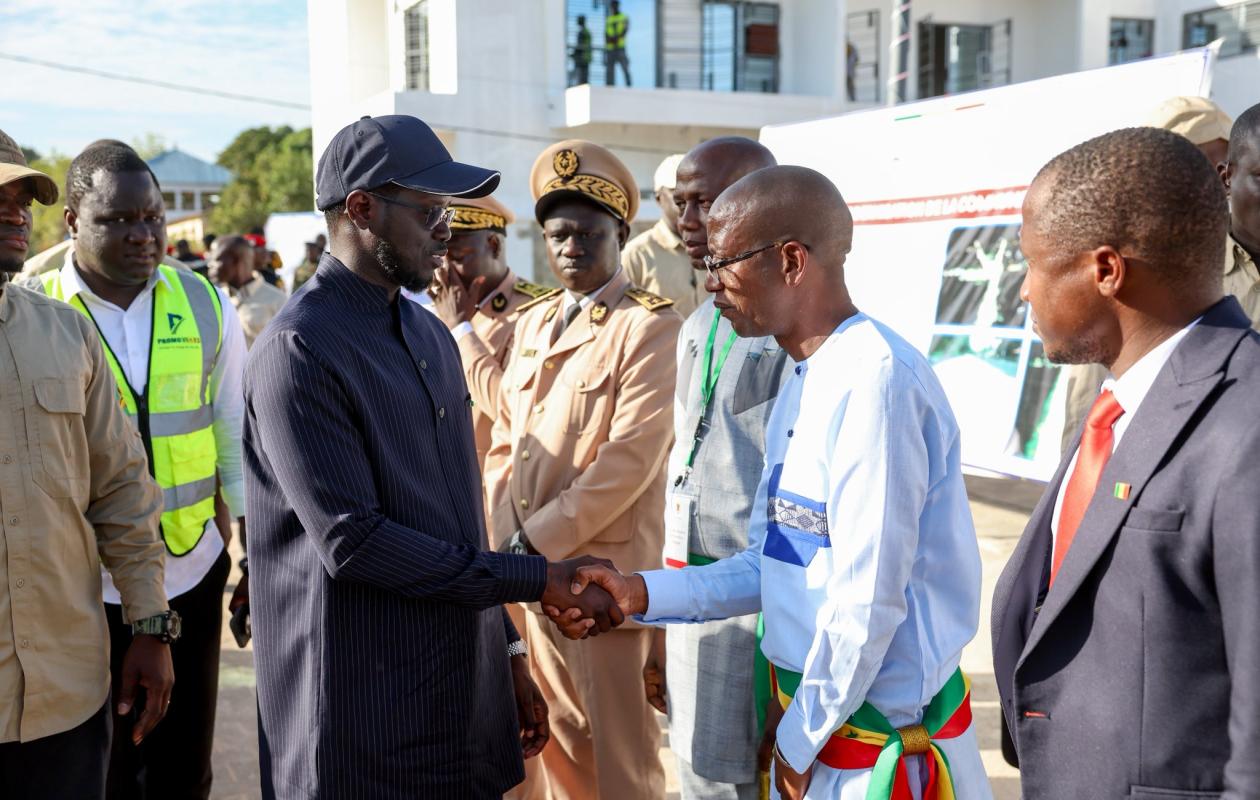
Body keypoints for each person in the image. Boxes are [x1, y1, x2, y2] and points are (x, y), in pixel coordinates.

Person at [552, 165, 991, 800]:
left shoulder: (879, 382)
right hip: (825, 738)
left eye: (725, 262)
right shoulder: (805, 374)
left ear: (791, 260)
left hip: (876, 755)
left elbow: (867, 605)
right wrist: (636, 593)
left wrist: (799, 739)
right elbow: (773, 562)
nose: (711, 284)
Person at [242, 114, 626, 800]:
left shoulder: (431, 334)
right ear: (361, 208)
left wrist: (506, 648)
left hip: (459, 700)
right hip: (363, 717)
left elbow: (459, 515)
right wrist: (533, 578)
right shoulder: (299, 350)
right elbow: (353, 542)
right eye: (429, 210)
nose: (447, 228)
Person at [994, 126, 1260, 798]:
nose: (1024, 293)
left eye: (1033, 263)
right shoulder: (1119, 402)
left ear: (1106, 270)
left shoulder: (1246, 420)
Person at [34, 142, 247, 800]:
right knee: (99, 769)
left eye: (152, 217)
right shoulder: (32, 308)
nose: (142, 235)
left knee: (183, 769)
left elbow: (236, 435)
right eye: (119, 220)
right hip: (80, 589)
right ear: (72, 222)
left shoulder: (206, 302)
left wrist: (256, 556)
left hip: (189, 570)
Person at [484, 139, 679, 799]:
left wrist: (532, 543)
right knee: (559, 750)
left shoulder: (648, 329)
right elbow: (507, 443)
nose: (571, 247)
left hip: (604, 586)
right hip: (533, 578)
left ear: (621, 233)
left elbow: (628, 461)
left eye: (588, 234)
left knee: (622, 764)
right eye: (558, 235)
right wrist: (513, 549)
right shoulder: (534, 324)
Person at [0, 129, 174, 800]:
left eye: (23, 198)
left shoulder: (66, 333)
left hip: (67, 699)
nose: (17, 213)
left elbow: (124, 492)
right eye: (0, 197)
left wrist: (150, 625)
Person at [645, 136, 785, 800]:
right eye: (682, 202)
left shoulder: (792, 329)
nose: (688, 220)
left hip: (757, 606)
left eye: (704, 202)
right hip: (690, 596)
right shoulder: (701, 322)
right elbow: (681, 480)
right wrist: (659, 623)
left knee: (743, 781)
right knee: (699, 777)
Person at [1059, 95, 1236, 453]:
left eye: (1223, 169)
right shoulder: (1117, 275)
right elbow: (1087, 404)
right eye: (1193, 171)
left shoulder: (1247, 255)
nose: (1215, 185)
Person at [427, 194, 555, 484]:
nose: (445, 274)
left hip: (496, 489)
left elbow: (511, 408)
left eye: (457, 259)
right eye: (440, 260)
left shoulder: (538, 313)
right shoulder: (433, 313)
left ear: (494, 246)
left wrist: (460, 328)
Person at [622, 153, 707, 319]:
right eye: (677, 192)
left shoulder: (714, 246)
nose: (687, 199)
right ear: (658, 198)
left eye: (694, 192)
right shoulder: (637, 255)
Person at [208, 234, 287, 348]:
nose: (210, 265)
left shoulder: (278, 301)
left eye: (216, 259)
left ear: (236, 261)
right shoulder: (216, 298)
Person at [605, 0, 631, 86]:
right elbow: (606, 33)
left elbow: (625, 30)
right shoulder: (609, 19)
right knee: (610, 69)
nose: (613, 8)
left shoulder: (623, 17)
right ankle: (609, 86)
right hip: (610, 48)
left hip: (620, 47)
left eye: (614, 6)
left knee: (625, 67)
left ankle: (628, 85)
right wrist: (610, 39)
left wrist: (617, 38)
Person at [573, 14, 593, 86]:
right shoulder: (585, 31)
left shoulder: (583, 32)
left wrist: (575, 54)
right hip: (584, 56)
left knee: (582, 77)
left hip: (583, 57)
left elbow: (580, 45)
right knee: (583, 76)